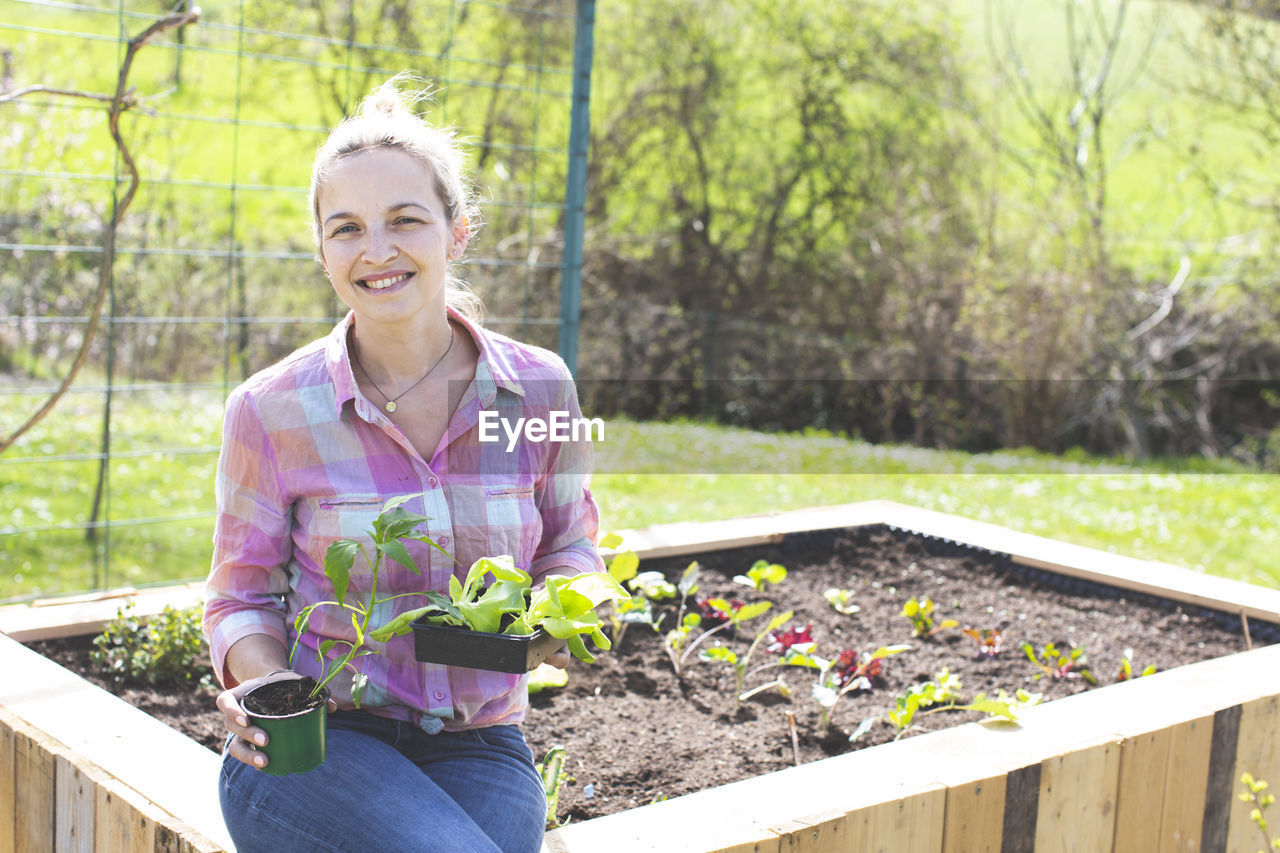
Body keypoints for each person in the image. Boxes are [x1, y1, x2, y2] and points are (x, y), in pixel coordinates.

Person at [203, 75, 603, 853]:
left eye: (405, 221)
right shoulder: (269, 409)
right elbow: (238, 599)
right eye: (346, 227)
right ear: (321, 249)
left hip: (477, 745)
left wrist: (565, 614)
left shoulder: (542, 386)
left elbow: (569, 547)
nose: (376, 251)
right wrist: (257, 682)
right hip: (314, 747)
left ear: (455, 233)